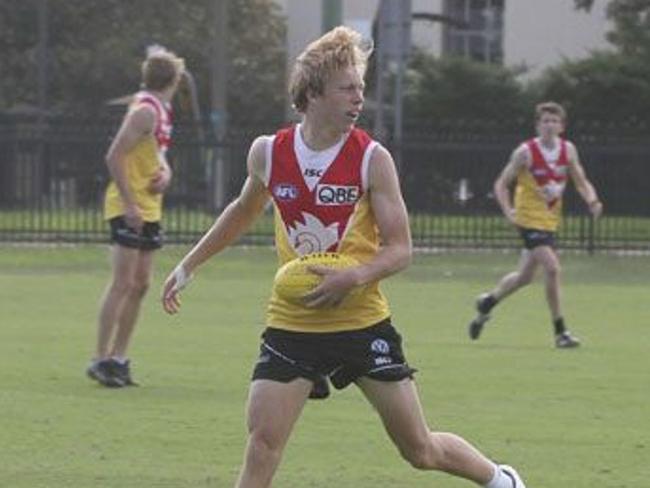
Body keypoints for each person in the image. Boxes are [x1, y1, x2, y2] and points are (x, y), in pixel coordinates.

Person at [162, 27, 526, 488]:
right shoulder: (268, 153)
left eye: (361, 89)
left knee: (418, 448)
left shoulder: (373, 159)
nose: (359, 99)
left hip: (361, 321)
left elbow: (401, 250)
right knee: (263, 443)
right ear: (313, 93)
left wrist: (352, 277)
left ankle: (501, 480)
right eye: (347, 89)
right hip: (292, 322)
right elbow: (242, 211)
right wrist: (189, 264)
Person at [87, 47, 185, 387]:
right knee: (123, 282)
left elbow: (159, 157)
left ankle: (119, 357)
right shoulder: (144, 111)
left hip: (149, 206)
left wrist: (166, 176)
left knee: (141, 284)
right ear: (173, 80)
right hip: (128, 206)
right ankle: (100, 359)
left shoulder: (161, 112)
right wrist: (130, 204)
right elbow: (114, 156)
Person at [468, 101, 603, 348]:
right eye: (545, 121)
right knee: (552, 268)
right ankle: (561, 332)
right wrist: (509, 211)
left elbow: (581, 181)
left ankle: (488, 302)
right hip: (528, 219)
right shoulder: (526, 152)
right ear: (538, 125)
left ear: (562, 126)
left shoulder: (568, 150)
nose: (549, 125)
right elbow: (501, 183)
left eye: (554, 121)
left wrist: (592, 200)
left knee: (525, 277)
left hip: (549, 220)